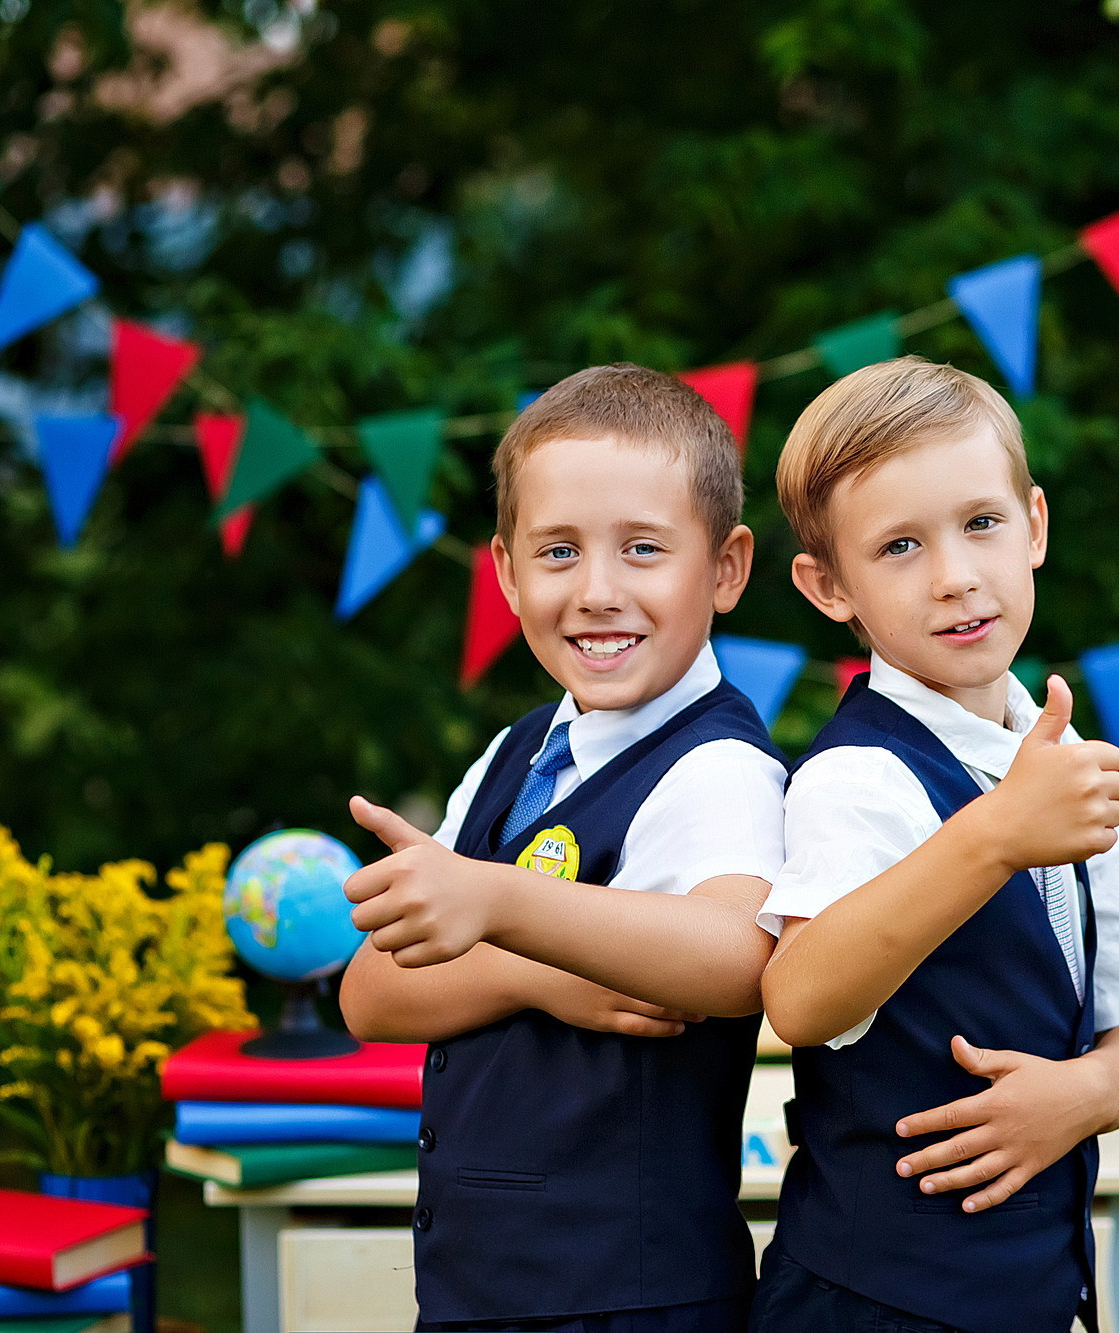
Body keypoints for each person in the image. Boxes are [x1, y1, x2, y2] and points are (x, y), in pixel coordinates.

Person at [337, 364, 786, 1333]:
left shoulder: (716, 768)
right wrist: (539, 977)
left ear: (725, 566)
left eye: (642, 550)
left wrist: (494, 909)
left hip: (629, 1296)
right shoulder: (516, 752)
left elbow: (733, 958)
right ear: (502, 571)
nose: (596, 591)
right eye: (556, 553)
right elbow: (371, 992)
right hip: (482, 1287)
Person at [752, 356, 1119, 1333]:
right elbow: (800, 999)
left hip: (1032, 1293)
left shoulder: (1061, 753)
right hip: (871, 1300)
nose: (955, 576)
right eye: (900, 545)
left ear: (1033, 525)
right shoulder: (857, 778)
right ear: (830, 586)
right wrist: (992, 836)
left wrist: (1081, 1095)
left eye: (980, 524)